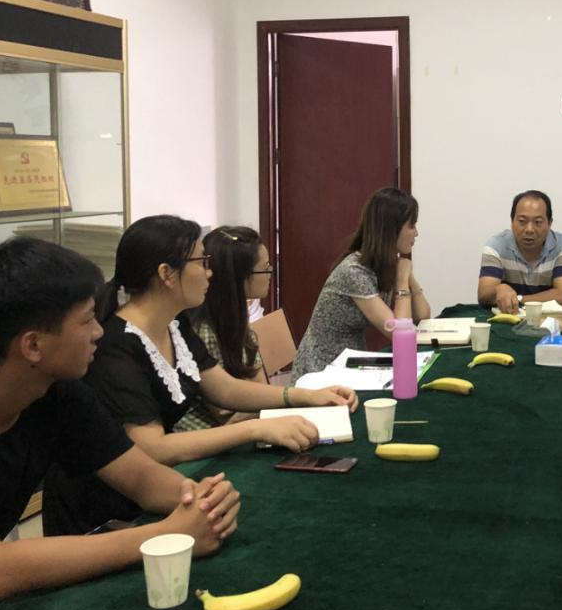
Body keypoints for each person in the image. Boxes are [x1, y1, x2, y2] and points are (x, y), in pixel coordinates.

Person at [0, 238, 240, 610]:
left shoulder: (56, 392)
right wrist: (163, 535)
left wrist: (201, 499)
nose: (99, 332)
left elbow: (141, 479)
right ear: (33, 345)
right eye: (87, 319)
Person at [44, 215, 358, 535]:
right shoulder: (116, 346)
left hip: (154, 487)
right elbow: (154, 447)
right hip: (107, 510)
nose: (210, 271)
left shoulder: (174, 324)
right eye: (202, 261)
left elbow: (223, 388)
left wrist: (303, 395)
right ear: (166, 274)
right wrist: (255, 428)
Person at [293, 188, 430, 380]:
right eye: (412, 225)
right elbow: (400, 336)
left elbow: (423, 315)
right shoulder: (354, 271)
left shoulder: (386, 262)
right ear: (391, 229)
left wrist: (407, 276)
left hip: (350, 362)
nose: (417, 233)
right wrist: (401, 280)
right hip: (322, 370)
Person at [176, 226, 271, 431]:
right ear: (239, 276)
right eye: (265, 268)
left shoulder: (238, 325)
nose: (270, 273)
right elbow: (225, 411)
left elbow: (261, 389)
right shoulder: (202, 331)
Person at [478, 190, 562, 314]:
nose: (529, 229)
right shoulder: (496, 245)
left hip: (548, 321)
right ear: (512, 221)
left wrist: (517, 299)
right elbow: (483, 295)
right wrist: (499, 289)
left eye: (538, 222)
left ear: (549, 223)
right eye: (522, 221)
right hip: (507, 319)